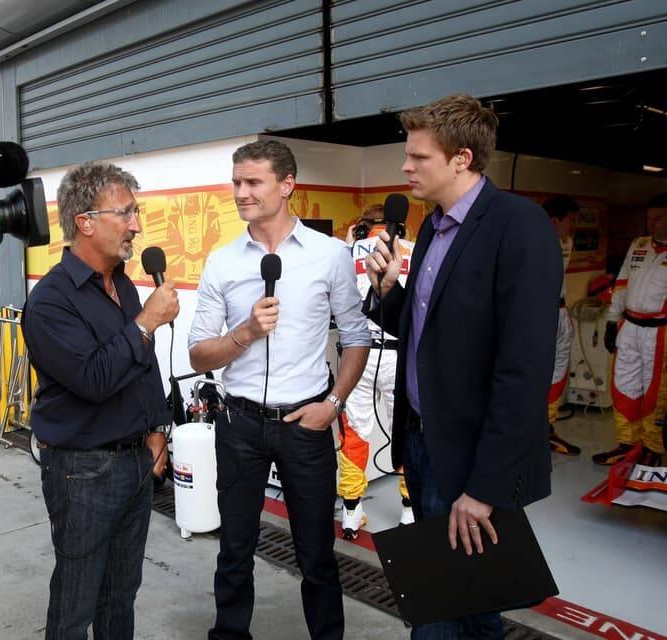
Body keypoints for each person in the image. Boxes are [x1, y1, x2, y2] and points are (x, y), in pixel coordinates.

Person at [365, 94, 561, 639]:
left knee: (444, 611)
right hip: (424, 446)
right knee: (467, 605)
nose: (405, 167)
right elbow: (428, 334)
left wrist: (485, 488)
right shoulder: (432, 228)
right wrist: (387, 293)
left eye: (418, 158)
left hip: (476, 461)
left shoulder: (519, 226)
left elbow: (523, 370)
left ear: (462, 159)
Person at [189, 139, 370, 640]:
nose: (241, 192)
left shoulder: (329, 256)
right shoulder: (222, 262)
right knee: (235, 549)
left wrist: (332, 405)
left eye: (253, 182)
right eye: (237, 182)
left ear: (286, 185)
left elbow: (356, 338)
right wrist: (245, 332)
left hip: (305, 424)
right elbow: (198, 354)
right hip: (238, 423)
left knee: (316, 554)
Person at [22, 162, 178, 640]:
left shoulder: (124, 282)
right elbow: (92, 379)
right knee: (75, 606)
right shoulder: (50, 301)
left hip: (134, 461)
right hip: (81, 471)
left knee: (120, 595)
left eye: (136, 212)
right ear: (85, 222)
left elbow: (143, 368)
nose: (136, 225)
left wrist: (156, 429)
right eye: (125, 213)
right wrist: (146, 323)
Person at [339, 205, 414, 539]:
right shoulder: (413, 251)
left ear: (361, 227)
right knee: (408, 434)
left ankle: (352, 513)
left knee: (354, 433)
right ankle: (410, 512)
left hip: (359, 356)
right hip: (400, 357)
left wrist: (348, 244)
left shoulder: (346, 253)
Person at [599, 193, 667, 467]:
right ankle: (627, 444)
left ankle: (652, 447)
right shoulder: (638, 245)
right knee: (623, 385)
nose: (652, 224)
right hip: (629, 326)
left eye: (659, 218)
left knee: (655, 392)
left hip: (660, 331)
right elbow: (622, 283)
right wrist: (612, 322)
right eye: (649, 219)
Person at [543, 195, 582, 456]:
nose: (573, 227)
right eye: (570, 221)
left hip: (560, 311)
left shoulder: (566, 241)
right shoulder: (530, 242)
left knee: (558, 373)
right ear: (554, 220)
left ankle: (548, 427)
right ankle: (532, 431)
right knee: (537, 374)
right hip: (539, 314)